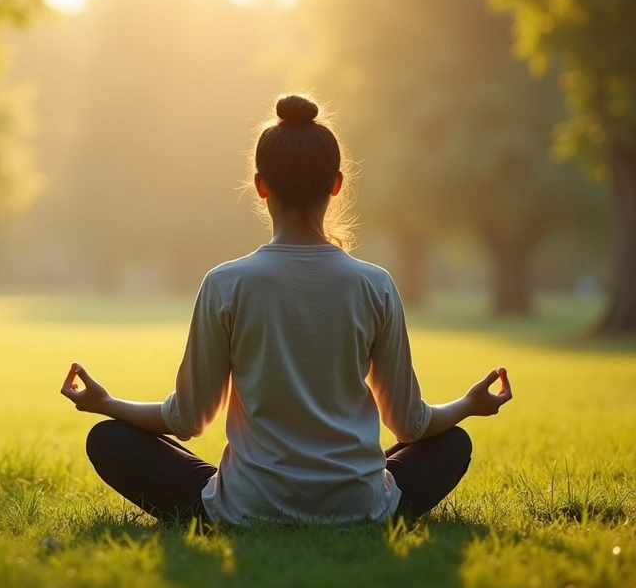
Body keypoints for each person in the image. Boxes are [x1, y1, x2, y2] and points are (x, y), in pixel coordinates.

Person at [58, 95, 513, 526]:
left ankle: (242, 501)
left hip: (248, 509)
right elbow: (411, 426)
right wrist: (468, 405)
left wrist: (105, 403)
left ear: (260, 186)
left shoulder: (226, 284)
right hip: (362, 509)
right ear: (336, 185)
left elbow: (187, 419)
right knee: (451, 442)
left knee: (109, 438)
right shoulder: (375, 285)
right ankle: (359, 499)